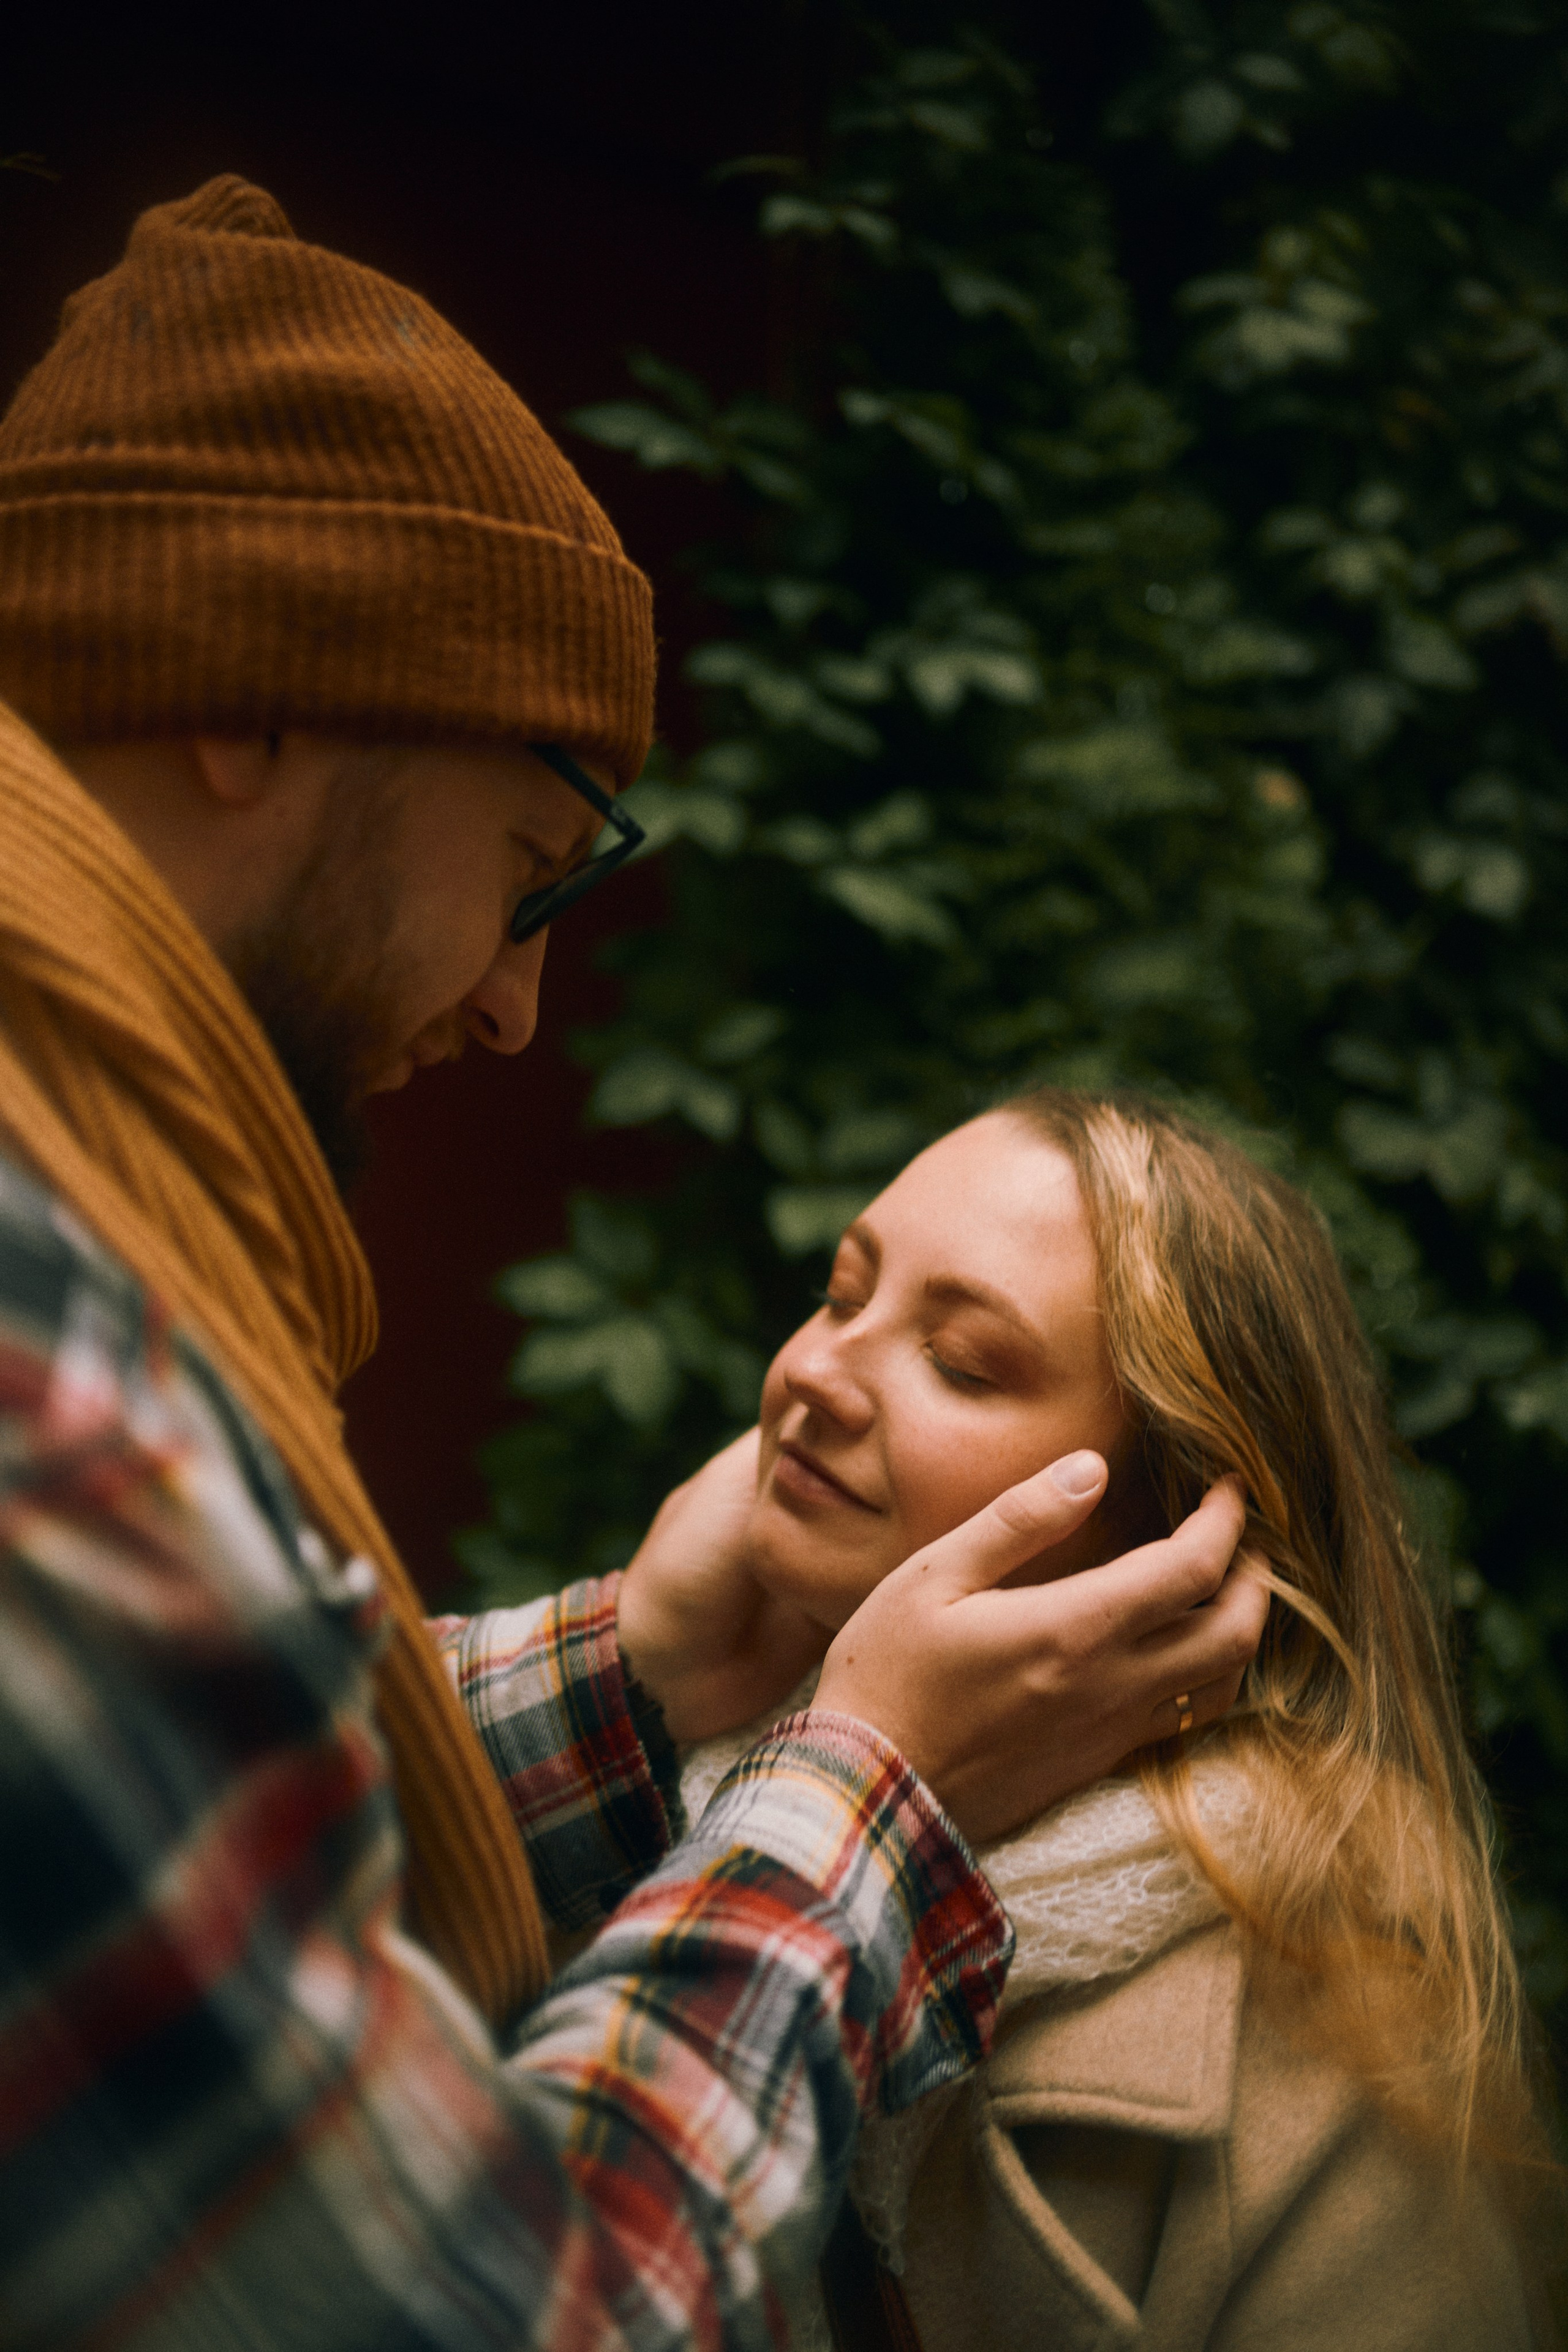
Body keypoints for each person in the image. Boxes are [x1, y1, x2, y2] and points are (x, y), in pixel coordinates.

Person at [0, 178, 1268, 2348]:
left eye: (965, 1341)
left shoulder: (1330, 2046)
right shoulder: (58, 1386)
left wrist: (642, 1667)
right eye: (525, 869)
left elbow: (146, 1892)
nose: (513, 1008)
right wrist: (867, 1791)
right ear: (252, 694)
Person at [680, 1088, 1559, 2350]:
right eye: (837, 1296)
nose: (815, 1369)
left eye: (961, 1362)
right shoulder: (659, 1803)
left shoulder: (1333, 2068)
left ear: (1170, 1544)